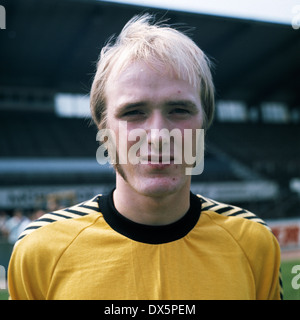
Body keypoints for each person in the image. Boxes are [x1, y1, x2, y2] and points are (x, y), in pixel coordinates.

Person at [8, 14, 282, 300]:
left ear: (204, 121)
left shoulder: (253, 242)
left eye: (179, 110)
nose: (158, 135)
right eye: (133, 112)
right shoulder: (39, 249)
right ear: (104, 128)